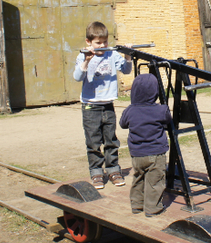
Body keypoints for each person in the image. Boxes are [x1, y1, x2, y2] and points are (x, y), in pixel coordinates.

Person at [73, 21, 132, 189]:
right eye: (98, 43)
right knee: (93, 141)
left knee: (111, 140)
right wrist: (86, 61)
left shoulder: (112, 55)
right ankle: (96, 172)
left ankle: (113, 169)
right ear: (88, 42)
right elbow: (77, 77)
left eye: (105, 42)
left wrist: (127, 56)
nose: (102, 45)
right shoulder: (83, 56)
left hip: (108, 105)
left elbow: (127, 70)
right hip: (90, 106)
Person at [119, 72, 172, 217]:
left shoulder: (130, 110)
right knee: (155, 182)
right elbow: (168, 120)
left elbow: (123, 124)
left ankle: (136, 205)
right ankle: (152, 208)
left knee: (138, 178)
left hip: (137, 154)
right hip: (155, 153)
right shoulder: (161, 110)